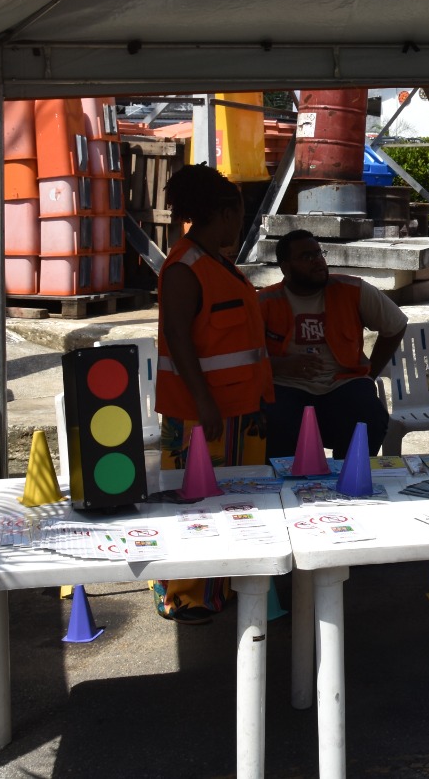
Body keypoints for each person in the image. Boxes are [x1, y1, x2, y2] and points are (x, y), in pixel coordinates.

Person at [152, 163, 273, 624]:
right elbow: (179, 339)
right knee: (198, 506)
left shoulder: (219, 263)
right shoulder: (184, 267)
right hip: (201, 415)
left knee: (236, 504)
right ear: (223, 213)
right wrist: (204, 403)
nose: (240, 224)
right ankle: (185, 596)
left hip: (242, 409)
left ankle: (222, 586)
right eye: (238, 214)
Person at [260, 230, 407, 460]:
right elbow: (245, 355)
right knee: (274, 420)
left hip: (343, 382)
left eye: (319, 253)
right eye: (307, 257)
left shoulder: (352, 289)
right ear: (285, 267)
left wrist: (370, 375)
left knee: (371, 415)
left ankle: (347, 479)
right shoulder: (265, 301)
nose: (318, 261)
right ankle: (286, 487)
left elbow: (396, 324)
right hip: (288, 386)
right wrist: (280, 366)